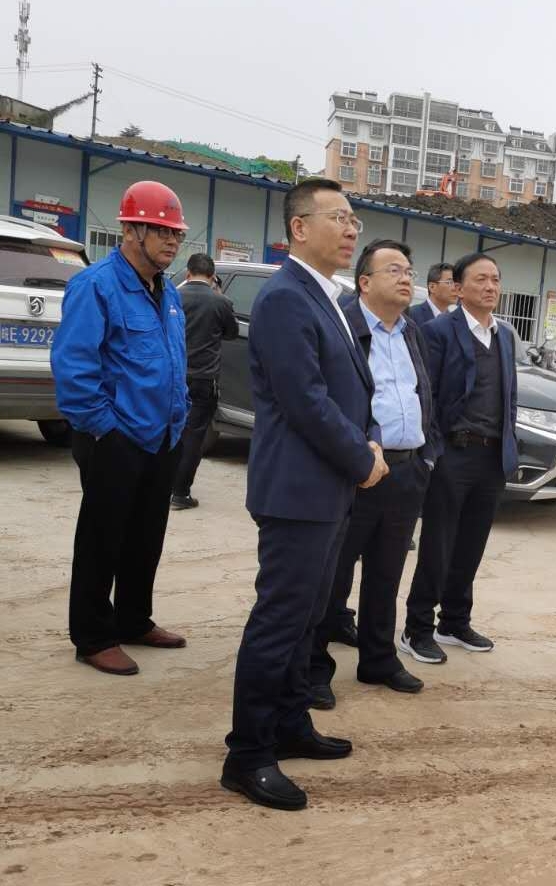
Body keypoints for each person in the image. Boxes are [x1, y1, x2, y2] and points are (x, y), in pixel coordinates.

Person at [222, 179, 388, 812]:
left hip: (327, 487)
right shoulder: (285, 298)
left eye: (353, 219)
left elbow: (354, 390)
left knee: (308, 618)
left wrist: (368, 444)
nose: (350, 229)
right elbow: (305, 401)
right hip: (297, 490)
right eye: (338, 217)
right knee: (279, 621)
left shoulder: (327, 295)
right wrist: (362, 458)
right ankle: (247, 754)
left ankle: (290, 722)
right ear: (299, 228)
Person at [50, 181, 190, 677]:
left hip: (163, 436)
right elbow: (74, 368)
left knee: (145, 537)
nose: (171, 241)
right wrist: (105, 429)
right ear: (130, 230)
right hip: (114, 437)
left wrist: (180, 414)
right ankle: (92, 636)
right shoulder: (96, 286)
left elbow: (173, 359)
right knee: (102, 538)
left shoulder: (167, 291)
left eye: (176, 234)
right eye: (161, 231)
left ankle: (133, 620)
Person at [309, 239, 439, 707]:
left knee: (386, 573)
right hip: (358, 471)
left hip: (407, 470)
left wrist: (427, 454)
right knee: (334, 575)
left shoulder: (411, 331)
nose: (406, 278)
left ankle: (378, 659)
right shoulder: (343, 327)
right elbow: (328, 399)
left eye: (409, 271)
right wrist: (355, 458)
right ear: (364, 282)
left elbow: (423, 392)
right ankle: (313, 667)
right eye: (394, 270)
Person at [399, 253, 517, 665]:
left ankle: (454, 621)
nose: (490, 286)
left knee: (471, 545)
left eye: (495, 279)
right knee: (438, 544)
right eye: (480, 279)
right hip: (453, 453)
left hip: (491, 457)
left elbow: (509, 398)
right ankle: (417, 628)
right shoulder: (438, 332)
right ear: (459, 287)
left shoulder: (504, 336)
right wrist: (433, 452)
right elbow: (425, 395)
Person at [171, 253, 239, 510]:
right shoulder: (220, 301)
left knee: (170, 431)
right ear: (212, 277)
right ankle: (180, 493)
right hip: (204, 379)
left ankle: (162, 484)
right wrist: (219, 294)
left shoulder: (174, 296)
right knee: (194, 435)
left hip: (174, 376)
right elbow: (232, 333)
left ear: (188, 273)